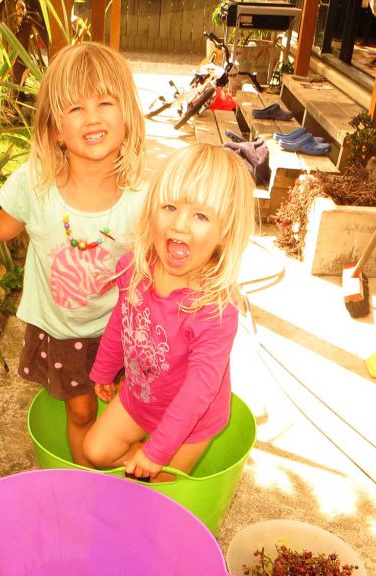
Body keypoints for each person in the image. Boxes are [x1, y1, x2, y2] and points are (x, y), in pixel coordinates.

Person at [0, 42, 145, 467]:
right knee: (80, 411)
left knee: (128, 411)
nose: (93, 116)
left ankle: (121, 467)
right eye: (75, 108)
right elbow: (3, 226)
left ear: (127, 117)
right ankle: (88, 478)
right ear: (56, 129)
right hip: (63, 334)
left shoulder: (143, 200)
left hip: (120, 332)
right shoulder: (36, 184)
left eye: (105, 102)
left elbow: (158, 269)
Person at [83, 143, 256, 482]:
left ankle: (150, 468)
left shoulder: (214, 311)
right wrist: (104, 370)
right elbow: (121, 323)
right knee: (95, 451)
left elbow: (197, 393)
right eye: (170, 206)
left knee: (156, 486)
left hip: (192, 420)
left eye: (201, 216)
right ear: (151, 211)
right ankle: (138, 458)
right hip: (141, 396)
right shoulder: (135, 269)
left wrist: (156, 452)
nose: (180, 225)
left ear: (225, 234)